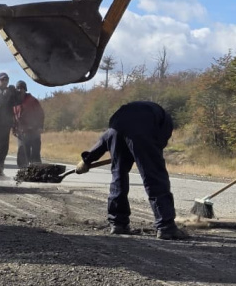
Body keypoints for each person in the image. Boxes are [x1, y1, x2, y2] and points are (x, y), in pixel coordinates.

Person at [75, 101, 189, 240]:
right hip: (141, 131)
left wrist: (87, 160)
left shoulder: (124, 119)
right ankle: (166, 228)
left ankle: (118, 224)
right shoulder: (165, 120)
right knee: (154, 176)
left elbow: (107, 137)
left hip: (117, 126)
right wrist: (147, 153)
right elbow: (158, 143)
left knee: (118, 175)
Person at [12, 80, 45, 168]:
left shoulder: (33, 100)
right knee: (22, 152)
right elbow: (13, 117)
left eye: (22, 88)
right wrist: (14, 129)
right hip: (21, 131)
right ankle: (22, 171)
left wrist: (40, 126)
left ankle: (36, 170)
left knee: (35, 152)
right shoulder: (14, 102)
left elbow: (40, 114)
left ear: (25, 89)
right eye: (18, 88)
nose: (20, 90)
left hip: (34, 130)